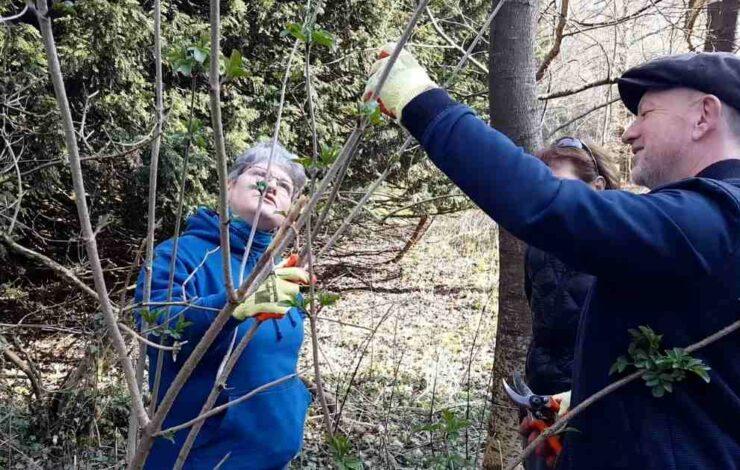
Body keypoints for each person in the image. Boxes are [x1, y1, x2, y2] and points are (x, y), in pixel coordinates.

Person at [364, 47, 740, 469]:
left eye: (646, 114)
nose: (628, 133)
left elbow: (548, 205)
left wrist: (419, 100)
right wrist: (585, 412)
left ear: (704, 116)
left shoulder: (715, 218)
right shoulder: (705, 223)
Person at [134, 141, 312, 469]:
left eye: (284, 185)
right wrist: (232, 306)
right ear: (230, 186)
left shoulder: (281, 270)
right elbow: (154, 324)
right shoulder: (181, 254)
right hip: (200, 457)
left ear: (292, 207)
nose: (271, 186)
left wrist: (298, 402)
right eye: (260, 174)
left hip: (272, 458)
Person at [521, 138, 619, 469]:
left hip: (600, 397)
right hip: (542, 392)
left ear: (598, 187)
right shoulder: (537, 243)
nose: (550, 196)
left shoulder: (622, 243)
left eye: (560, 185)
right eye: (544, 185)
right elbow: (536, 309)